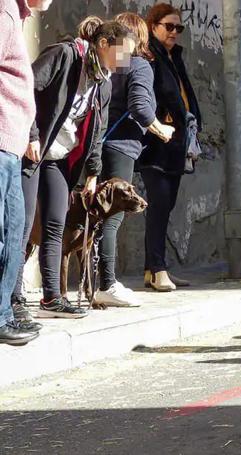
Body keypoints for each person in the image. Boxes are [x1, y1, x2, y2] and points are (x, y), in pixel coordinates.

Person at [11, 19, 130, 320]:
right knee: (23, 226)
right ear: (103, 44)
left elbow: (97, 131)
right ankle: (11, 299)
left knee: (55, 224)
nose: (125, 62)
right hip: (31, 150)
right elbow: (26, 88)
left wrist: (93, 172)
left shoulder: (102, 82)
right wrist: (31, 135)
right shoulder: (65, 56)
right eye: (122, 53)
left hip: (59, 157)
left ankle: (52, 298)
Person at [95, 12, 175, 306]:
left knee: (91, 216)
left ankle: (91, 282)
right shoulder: (139, 65)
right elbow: (141, 106)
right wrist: (161, 128)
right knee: (112, 218)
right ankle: (107, 284)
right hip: (120, 148)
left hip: (94, 145)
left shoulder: (106, 65)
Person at [0, 0, 54, 344]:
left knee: (14, 231)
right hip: (2, 139)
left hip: (11, 144)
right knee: (6, 232)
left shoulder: (14, 14)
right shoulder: (4, 12)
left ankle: (4, 313)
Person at [138, 3, 201, 292]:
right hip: (156, 142)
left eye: (179, 28)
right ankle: (157, 268)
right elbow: (149, 95)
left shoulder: (174, 56)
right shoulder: (149, 55)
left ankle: (154, 269)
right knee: (159, 207)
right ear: (154, 26)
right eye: (169, 26)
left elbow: (183, 92)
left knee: (167, 206)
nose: (175, 32)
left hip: (176, 141)